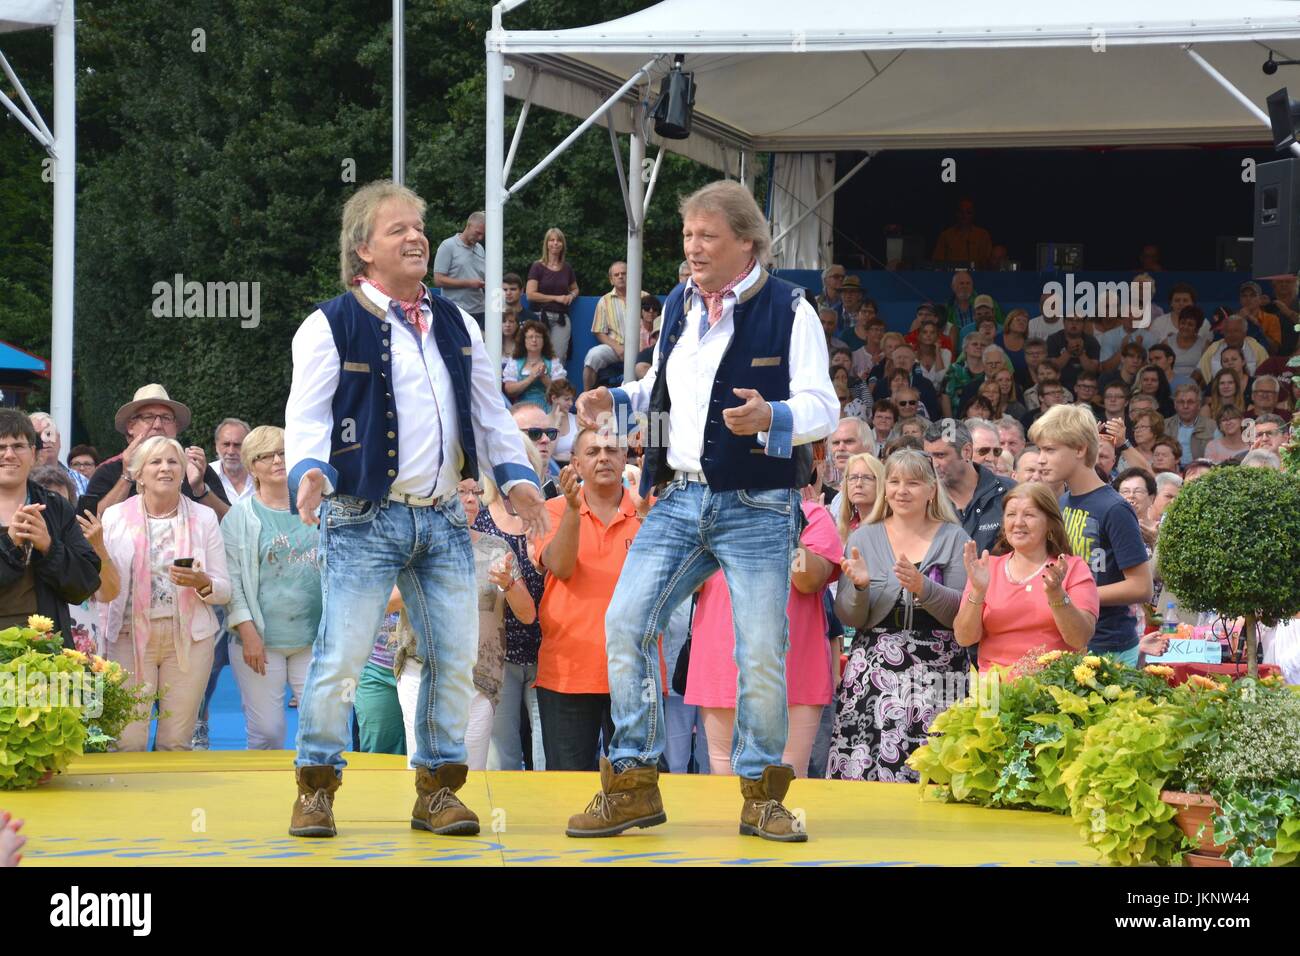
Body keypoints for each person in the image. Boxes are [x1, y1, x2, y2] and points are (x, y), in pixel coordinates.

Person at [569, 180, 837, 842]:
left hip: (758, 502)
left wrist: (770, 415)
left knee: (763, 648)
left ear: (747, 242)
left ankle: (761, 796)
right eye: (688, 235)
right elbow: (661, 389)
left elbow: (825, 406)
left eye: (707, 236)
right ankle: (633, 783)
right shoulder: (677, 304)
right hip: (680, 494)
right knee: (627, 621)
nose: (692, 247)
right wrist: (617, 402)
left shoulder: (791, 309)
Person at [284, 180, 548, 839]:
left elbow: (490, 414)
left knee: (452, 653)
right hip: (362, 511)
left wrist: (515, 475)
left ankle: (435, 789)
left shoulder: (458, 323)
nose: (416, 236)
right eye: (398, 228)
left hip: (440, 515)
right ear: (362, 250)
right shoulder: (329, 323)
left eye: (420, 225)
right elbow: (308, 414)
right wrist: (309, 468)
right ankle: (316, 787)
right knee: (341, 656)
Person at [832, 450, 971, 781]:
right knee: (866, 765)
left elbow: (962, 613)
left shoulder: (954, 538)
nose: (901, 490)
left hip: (940, 665)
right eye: (894, 482)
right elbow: (848, 615)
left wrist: (924, 587)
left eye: (913, 482)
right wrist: (861, 587)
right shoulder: (864, 536)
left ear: (931, 490)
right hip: (874, 667)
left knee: (935, 765)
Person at [686, 495, 840, 778]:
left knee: (787, 781)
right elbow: (688, 584)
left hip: (794, 671)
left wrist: (785, 522)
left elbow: (808, 581)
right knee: (724, 780)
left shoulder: (811, 514)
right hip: (722, 666)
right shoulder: (709, 512)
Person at [100, 436, 230, 750]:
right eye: (155, 462)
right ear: (138, 474)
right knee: (126, 741)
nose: (165, 468)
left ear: (184, 472)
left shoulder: (204, 518)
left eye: (173, 462)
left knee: (176, 741)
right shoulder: (114, 517)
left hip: (189, 638)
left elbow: (224, 590)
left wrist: (200, 581)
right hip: (127, 637)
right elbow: (102, 586)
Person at [395, 478, 531, 770]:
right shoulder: (414, 543)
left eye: (476, 492)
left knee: (468, 773)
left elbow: (528, 614)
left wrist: (509, 584)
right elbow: (386, 603)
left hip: (479, 678)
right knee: (422, 770)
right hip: (421, 671)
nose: (471, 499)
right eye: (462, 492)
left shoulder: (497, 548)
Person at [536, 430, 646, 771]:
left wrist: (645, 514)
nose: (603, 457)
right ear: (576, 463)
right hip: (568, 671)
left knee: (635, 784)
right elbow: (561, 566)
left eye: (612, 450)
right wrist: (572, 508)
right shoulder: (551, 510)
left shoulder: (649, 512)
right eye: (593, 451)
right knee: (566, 789)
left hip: (636, 672)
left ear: (624, 458)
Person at [221, 426, 320, 750]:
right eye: (267, 455)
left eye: (284, 453)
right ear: (252, 466)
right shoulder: (239, 517)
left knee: (321, 728)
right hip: (260, 641)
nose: (278, 460)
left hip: (315, 639)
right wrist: (248, 633)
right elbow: (232, 580)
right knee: (268, 731)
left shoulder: (321, 510)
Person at [1029, 404, 1152, 665]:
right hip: (1070, 638)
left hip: (1110, 645)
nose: (1041, 459)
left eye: (1050, 449)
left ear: (1080, 449)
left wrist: (1073, 596)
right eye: (1040, 450)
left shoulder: (1115, 508)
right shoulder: (1062, 502)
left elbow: (1142, 586)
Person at [955, 483, 1099, 669]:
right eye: (1011, 514)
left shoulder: (1073, 568)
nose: (1018, 522)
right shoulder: (987, 568)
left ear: (1050, 523)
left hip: (1055, 689)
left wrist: (1057, 595)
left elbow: (1080, 638)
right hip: (996, 691)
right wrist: (977, 591)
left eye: (1029, 515)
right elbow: (964, 638)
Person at [0, 411, 102, 642]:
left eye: (18, 446)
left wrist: (49, 547)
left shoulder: (57, 508)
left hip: (45, 650)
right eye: (1, 446)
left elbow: (84, 585)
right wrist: (10, 545)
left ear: (34, 453)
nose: (8, 454)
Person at [79, 384, 230, 520]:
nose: (157, 425)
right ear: (131, 426)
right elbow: (88, 526)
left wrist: (199, 488)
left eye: (166, 418)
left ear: (175, 427)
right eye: (148, 417)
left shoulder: (195, 468)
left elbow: (231, 524)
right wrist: (127, 476)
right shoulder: (108, 471)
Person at [924, 418, 1016, 554]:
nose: (933, 463)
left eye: (940, 455)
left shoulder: (1011, 492)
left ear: (966, 451)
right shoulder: (923, 497)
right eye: (928, 457)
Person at [526, 227, 580, 364]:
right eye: (552, 240)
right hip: (540, 316)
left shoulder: (567, 268)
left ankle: (555, 385)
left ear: (563, 245)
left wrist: (571, 296)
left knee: (558, 358)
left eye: (558, 240)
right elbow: (530, 295)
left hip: (561, 319)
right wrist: (556, 298)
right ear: (547, 244)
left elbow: (575, 288)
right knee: (537, 356)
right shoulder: (537, 266)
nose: (555, 243)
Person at [432, 212, 487, 328]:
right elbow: (438, 280)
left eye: (483, 235)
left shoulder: (480, 248)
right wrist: (469, 283)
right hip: (455, 310)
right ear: (469, 225)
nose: (480, 238)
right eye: (478, 233)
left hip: (479, 310)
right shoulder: (448, 246)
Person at [583, 261, 630, 390]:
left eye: (624, 273)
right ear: (611, 280)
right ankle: (587, 397)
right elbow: (598, 331)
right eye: (616, 275)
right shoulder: (604, 301)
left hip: (641, 347)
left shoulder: (644, 297)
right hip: (615, 348)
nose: (621, 276)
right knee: (593, 356)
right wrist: (618, 348)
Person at [502, 320, 567, 410]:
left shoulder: (552, 362)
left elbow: (561, 391)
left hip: (547, 408)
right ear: (523, 341)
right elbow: (509, 390)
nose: (534, 340)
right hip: (521, 409)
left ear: (544, 341)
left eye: (538, 337)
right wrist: (531, 378)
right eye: (530, 337)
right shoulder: (515, 361)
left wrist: (544, 377)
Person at [28, 412, 88, 497]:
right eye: (37, 436)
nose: (45, 439)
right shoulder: (19, 480)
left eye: (49, 433)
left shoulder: (81, 480)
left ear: (59, 439)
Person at [1196, 314, 1268, 382]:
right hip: (1217, 391)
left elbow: (1266, 377)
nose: (1231, 335)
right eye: (1228, 332)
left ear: (1245, 333)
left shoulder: (1257, 350)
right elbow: (1199, 372)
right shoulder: (1214, 349)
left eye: (1236, 331)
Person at [1046, 315, 1101, 392]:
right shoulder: (1053, 339)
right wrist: (1068, 352)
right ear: (1064, 322)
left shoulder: (1091, 341)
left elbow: (1092, 371)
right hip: (1059, 386)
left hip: (1085, 386)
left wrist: (1081, 354)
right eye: (1070, 320)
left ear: (1083, 324)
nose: (1074, 323)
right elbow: (1052, 369)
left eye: (1078, 321)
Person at [933, 198, 993, 268]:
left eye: (968, 212)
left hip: (977, 276)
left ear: (973, 214)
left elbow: (988, 262)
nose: (964, 216)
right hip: (951, 276)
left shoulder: (983, 235)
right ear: (956, 213)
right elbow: (937, 261)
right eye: (961, 212)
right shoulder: (946, 235)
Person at [1165, 383, 1215, 467]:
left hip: (1201, 472)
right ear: (1175, 404)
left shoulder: (1212, 426)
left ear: (1199, 405)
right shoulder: (1164, 426)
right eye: (1181, 402)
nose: (1185, 406)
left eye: (1190, 402)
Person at [1114, 467, 1159, 548]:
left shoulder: (1161, 530)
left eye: (1138, 491)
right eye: (1125, 491)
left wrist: (1155, 540)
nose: (1131, 495)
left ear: (1151, 498)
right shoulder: (1110, 528)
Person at [212, 418, 254, 504]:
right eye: (226, 444)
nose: (231, 451)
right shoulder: (204, 476)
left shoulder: (261, 475)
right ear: (216, 446)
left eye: (237, 445)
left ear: (248, 446)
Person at [548, 379, 579, 467]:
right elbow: (548, 452)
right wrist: (556, 425)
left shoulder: (576, 419)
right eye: (567, 399)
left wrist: (558, 457)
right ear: (554, 398)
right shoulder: (543, 422)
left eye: (571, 399)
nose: (571, 403)